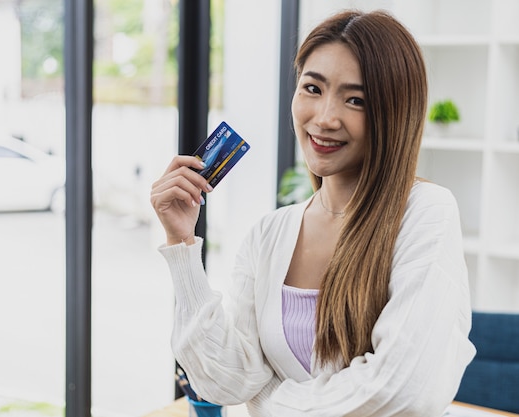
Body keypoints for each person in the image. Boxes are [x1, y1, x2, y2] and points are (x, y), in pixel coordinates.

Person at [150, 9, 475, 417]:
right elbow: (225, 382)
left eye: (355, 99)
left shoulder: (426, 211)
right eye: (312, 88)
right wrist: (181, 244)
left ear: (395, 113)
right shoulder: (269, 233)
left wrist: (269, 402)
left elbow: (402, 391)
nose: (324, 118)